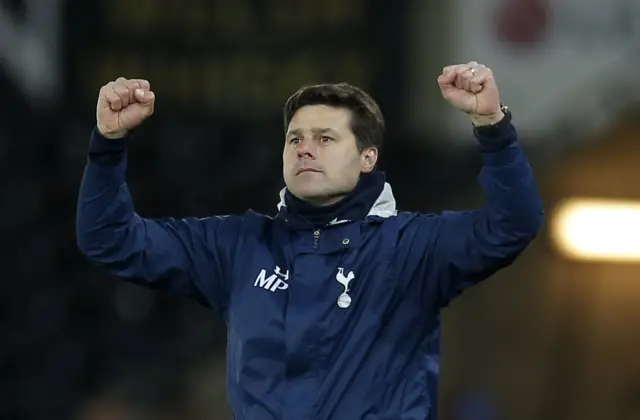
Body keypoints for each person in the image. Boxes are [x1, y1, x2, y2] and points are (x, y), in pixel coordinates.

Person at [76, 61, 544, 420]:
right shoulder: (239, 245)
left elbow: (513, 224)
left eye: (324, 138)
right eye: (294, 138)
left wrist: (493, 129)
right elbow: (110, 240)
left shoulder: (413, 248)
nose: (304, 147)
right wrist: (108, 143)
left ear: (367, 157)